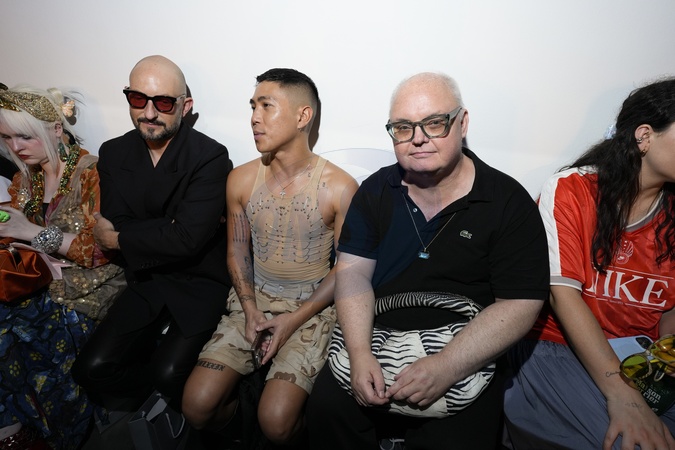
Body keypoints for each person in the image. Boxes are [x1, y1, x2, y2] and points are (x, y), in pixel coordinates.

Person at [305, 72, 550, 450]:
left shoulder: (507, 202)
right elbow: (352, 274)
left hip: (467, 346)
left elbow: (520, 303)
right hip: (375, 334)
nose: (418, 138)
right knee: (326, 411)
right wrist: (359, 354)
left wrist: (447, 365)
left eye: (434, 123)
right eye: (403, 127)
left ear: (462, 123)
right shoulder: (376, 190)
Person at [181, 68, 358, 446]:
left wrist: (292, 321)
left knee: (276, 422)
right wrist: (249, 309)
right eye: (252, 106)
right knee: (196, 406)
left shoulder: (339, 187)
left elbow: (346, 268)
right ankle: (245, 428)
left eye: (266, 106)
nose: (254, 118)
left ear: (302, 116)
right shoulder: (241, 179)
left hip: (311, 308)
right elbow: (236, 250)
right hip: (252, 301)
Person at [503, 78, 675, 450]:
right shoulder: (572, 189)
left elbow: (669, 309)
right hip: (557, 347)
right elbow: (563, 296)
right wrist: (623, 395)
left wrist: (663, 364)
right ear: (645, 136)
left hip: (641, 357)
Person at [71, 55, 233, 415]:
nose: (149, 113)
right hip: (145, 278)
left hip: (199, 280)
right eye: (137, 99)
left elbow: (188, 239)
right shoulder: (114, 152)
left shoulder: (209, 156)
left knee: (170, 373)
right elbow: (121, 219)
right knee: (91, 369)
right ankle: (154, 403)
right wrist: (169, 228)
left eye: (163, 103)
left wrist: (121, 239)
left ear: (185, 106)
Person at [0, 84, 112, 449]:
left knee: (19, 334)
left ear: (57, 129)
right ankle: (15, 427)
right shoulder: (26, 177)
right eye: (6, 137)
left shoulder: (92, 173)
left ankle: (63, 432)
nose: (15, 147)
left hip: (88, 289)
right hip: (39, 280)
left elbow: (100, 251)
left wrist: (31, 232)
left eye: (24, 136)